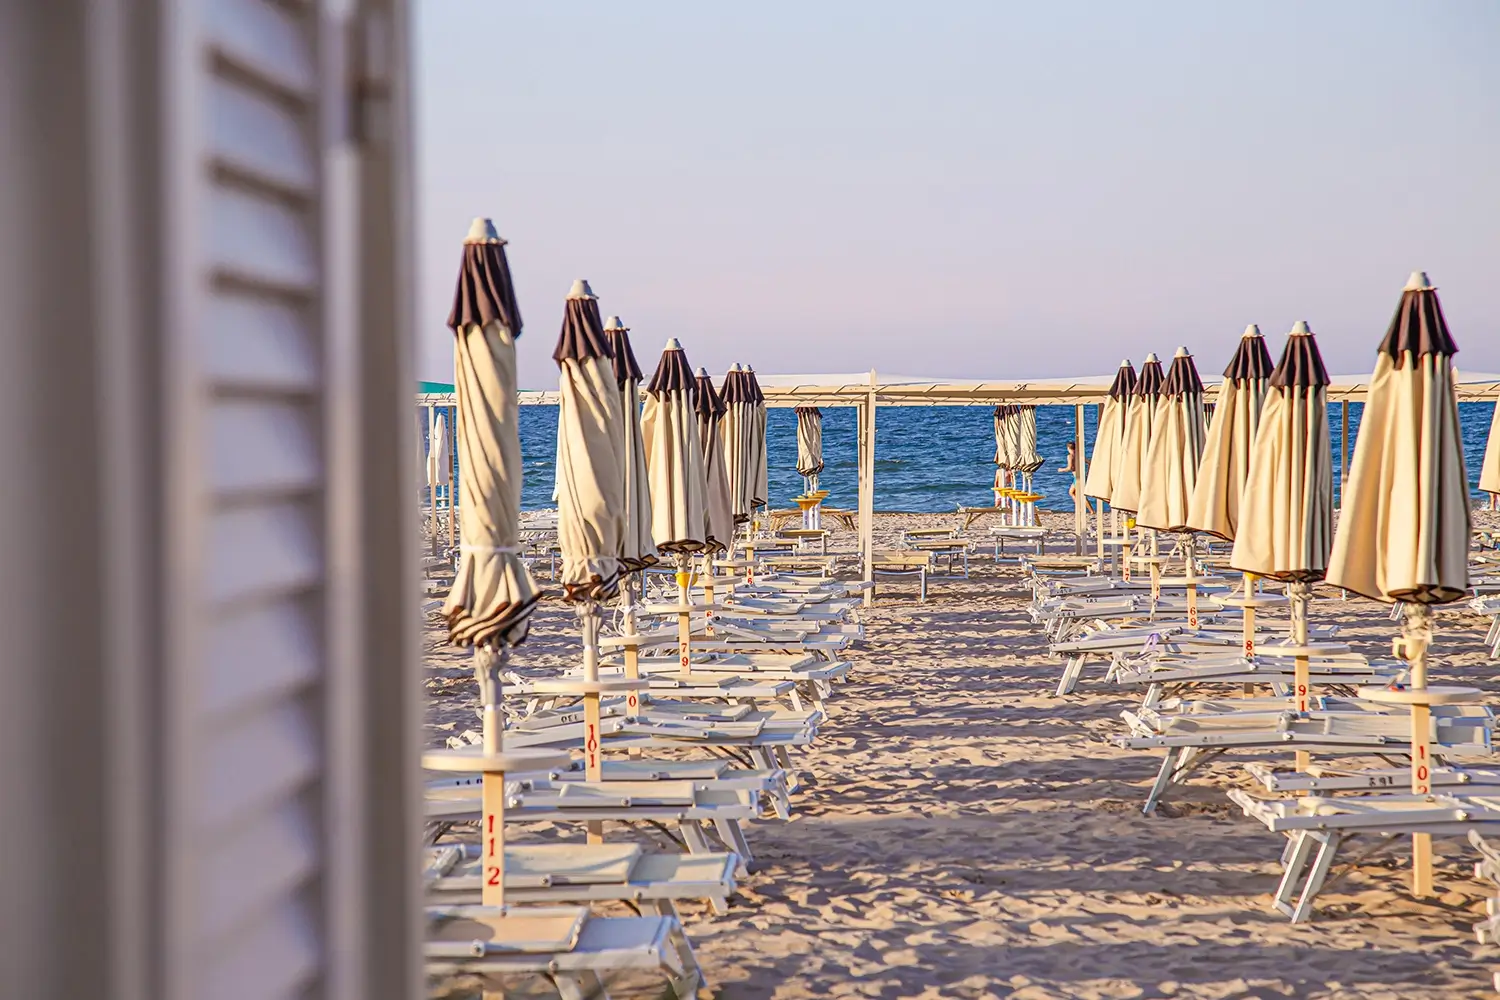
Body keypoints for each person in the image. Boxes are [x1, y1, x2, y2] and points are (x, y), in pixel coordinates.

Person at [1059, 441, 1094, 513]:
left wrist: (1061, 470)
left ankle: (1090, 510)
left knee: (1079, 495)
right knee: (1072, 492)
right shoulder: (1079, 455)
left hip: (1077, 477)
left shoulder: (1070, 456)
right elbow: (1089, 462)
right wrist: (1088, 473)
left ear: (1068, 448)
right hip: (1082, 476)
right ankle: (1081, 508)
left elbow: (1069, 468)